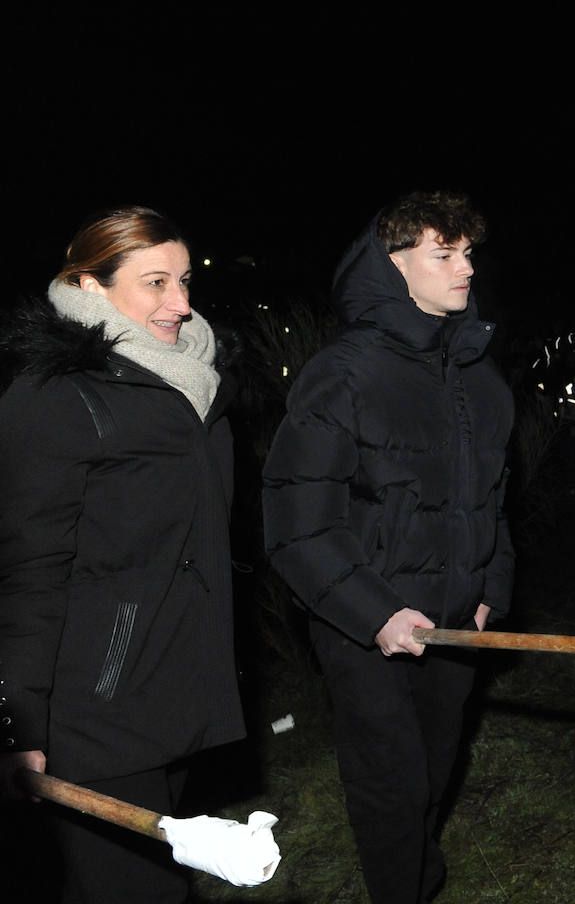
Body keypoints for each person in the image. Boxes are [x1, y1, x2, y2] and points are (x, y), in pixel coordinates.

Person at [261, 190, 513, 904]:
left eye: (468, 251)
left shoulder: (480, 375)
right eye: (444, 253)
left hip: (458, 621)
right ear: (392, 264)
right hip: (364, 626)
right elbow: (297, 524)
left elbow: (495, 500)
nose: (464, 266)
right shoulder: (343, 374)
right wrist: (376, 615)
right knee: (391, 785)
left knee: (432, 774)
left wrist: (492, 586)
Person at [0, 207, 244, 903]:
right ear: (89, 284)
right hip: (92, 712)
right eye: (156, 283)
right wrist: (16, 726)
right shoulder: (54, 397)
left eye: (187, 281)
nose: (182, 304)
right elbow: (25, 575)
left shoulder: (187, 383)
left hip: (171, 692)